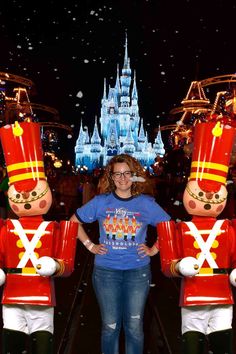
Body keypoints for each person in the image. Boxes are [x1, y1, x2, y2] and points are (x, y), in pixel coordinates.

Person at [70, 153, 170, 354]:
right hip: (106, 271)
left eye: (127, 173)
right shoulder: (101, 202)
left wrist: (153, 250)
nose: (122, 178)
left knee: (134, 327)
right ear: (111, 177)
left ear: (134, 175)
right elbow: (73, 222)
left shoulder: (146, 204)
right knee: (110, 326)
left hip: (137, 271)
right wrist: (90, 246)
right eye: (117, 174)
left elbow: (168, 228)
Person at [157, 119, 236, 354]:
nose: (208, 201)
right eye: (202, 195)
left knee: (223, 341)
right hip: (192, 294)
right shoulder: (179, 229)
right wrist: (179, 266)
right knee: (193, 342)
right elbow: (167, 266)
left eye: (214, 197)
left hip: (223, 295)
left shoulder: (228, 228)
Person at [0, 120, 78, 354]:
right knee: (11, 344)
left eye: (33, 193)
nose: (26, 199)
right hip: (11, 297)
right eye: (20, 195)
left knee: (42, 344)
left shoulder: (56, 229)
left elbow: (68, 266)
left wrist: (55, 265)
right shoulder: (6, 228)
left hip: (42, 297)